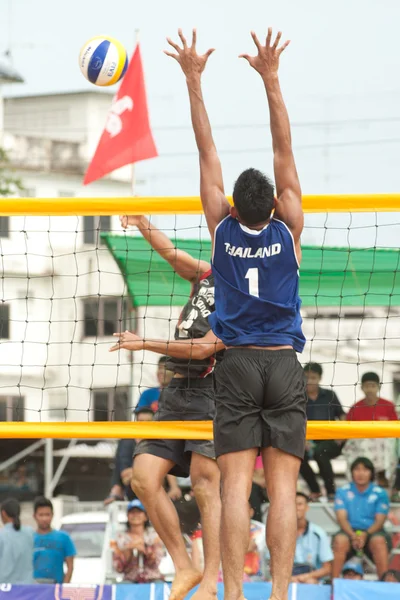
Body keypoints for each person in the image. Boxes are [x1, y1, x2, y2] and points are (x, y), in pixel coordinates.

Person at [165, 27, 306, 600]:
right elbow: (283, 151)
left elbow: (207, 152)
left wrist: (194, 82)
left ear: (230, 205)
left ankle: (233, 596)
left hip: (239, 366)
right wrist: (271, 80)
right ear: (274, 203)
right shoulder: (289, 225)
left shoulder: (220, 228)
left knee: (233, 490)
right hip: (284, 363)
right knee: (282, 489)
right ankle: (277, 595)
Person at [111, 215, 224, 600]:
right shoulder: (210, 273)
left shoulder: (246, 294)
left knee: (207, 487)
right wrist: (144, 223)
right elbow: (172, 255)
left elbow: (203, 348)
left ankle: (211, 579)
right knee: (143, 478)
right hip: (175, 394)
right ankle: (185, 567)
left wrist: (144, 343)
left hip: (212, 392)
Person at [332, 457, 392, 579]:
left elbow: (380, 520)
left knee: (379, 541)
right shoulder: (343, 491)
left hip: (373, 532)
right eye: (357, 469)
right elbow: (341, 518)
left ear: (371, 473)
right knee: (340, 541)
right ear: (351, 472)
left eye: (365, 470)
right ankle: (334, 585)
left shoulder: (380, 493)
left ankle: (385, 586)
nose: (361, 473)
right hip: (349, 531)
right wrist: (353, 534)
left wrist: (365, 534)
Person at [343, 372, 398, 487]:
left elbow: (394, 429)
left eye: (373, 386)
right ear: (362, 388)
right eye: (367, 386)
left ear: (379, 387)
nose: (370, 389)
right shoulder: (355, 407)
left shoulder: (388, 405)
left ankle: (384, 480)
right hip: (361, 443)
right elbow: (348, 430)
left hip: (383, 443)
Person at [300, 363, 346, 501]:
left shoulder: (330, 395)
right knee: (297, 456)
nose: (310, 381)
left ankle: (331, 492)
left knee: (321, 452)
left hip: (330, 440)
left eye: (313, 377)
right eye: (306, 377)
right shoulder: (297, 396)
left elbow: (342, 416)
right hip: (306, 440)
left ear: (320, 378)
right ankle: (315, 491)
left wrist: (341, 434)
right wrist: (303, 440)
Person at [112, 499, 165, 583]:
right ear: (127, 516)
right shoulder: (120, 537)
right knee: (123, 587)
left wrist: (145, 550)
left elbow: (156, 562)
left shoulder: (154, 536)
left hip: (153, 578)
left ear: (145, 516)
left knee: (159, 586)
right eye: (132, 512)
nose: (135, 515)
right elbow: (118, 567)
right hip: (130, 579)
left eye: (139, 512)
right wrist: (129, 549)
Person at [290, 492, 333, 584]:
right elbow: (272, 566)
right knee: (271, 583)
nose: (296, 508)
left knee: (310, 583)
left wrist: (305, 576)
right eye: (293, 504)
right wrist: (288, 578)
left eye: (300, 504)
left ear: (307, 507)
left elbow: (327, 568)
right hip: (286, 576)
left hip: (310, 576)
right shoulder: (280, 534)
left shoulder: (318, 533)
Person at [33, 496, 76, 584]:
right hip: (33, 590)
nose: (44, 519)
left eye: (47, 514)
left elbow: (70, 567)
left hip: (56, 588)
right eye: (41, 515)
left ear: (52, 515)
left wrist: (64, 587)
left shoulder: (64, 537)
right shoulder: (28, 538)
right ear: (34, 516)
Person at [0, 498, 34, 584]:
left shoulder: (2, 535)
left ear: (3, 513)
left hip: (5, 590)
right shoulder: (30, 532)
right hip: (27, 588)